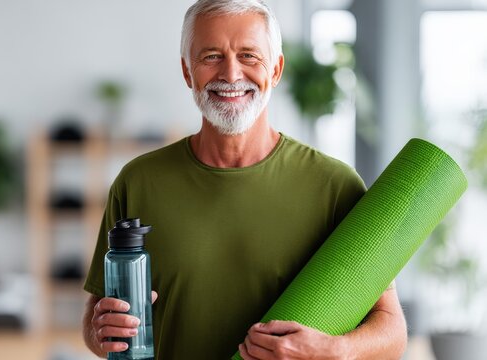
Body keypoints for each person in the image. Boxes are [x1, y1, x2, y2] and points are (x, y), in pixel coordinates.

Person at [82, 0, 408, 358]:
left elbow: (392, 331)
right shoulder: (138, 181)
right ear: (187, 71)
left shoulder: (335, 186)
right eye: (211, 56)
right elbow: (95, 321)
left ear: (277, 69)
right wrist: (100, 332)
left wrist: (335, 350)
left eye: (249, 56)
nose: (232, 75)